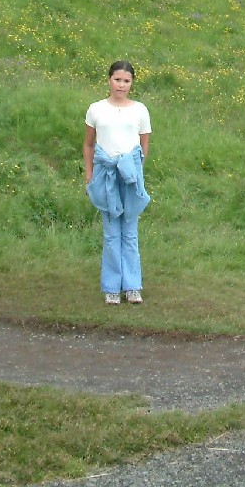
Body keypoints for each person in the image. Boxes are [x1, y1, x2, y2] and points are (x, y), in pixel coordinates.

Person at [84, 60, 151, 305]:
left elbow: (144, 146)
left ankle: (132, 287)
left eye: (126, 81)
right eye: (117, 79)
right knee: (112, 233)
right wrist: (90, 175)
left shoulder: (140, 110)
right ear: (109, 80)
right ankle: (111, 288)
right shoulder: (96, 109)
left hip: (130, 176)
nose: (121, 85)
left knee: (130, 233)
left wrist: (136, 174)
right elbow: (89, 144)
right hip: (106, 175)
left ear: (132, 83)